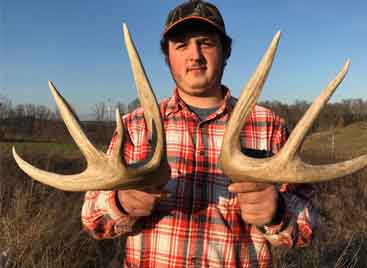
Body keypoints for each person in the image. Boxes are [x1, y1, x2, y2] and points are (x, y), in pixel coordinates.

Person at [81, 1, 315, 267]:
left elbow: (306, 226)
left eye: (205, 43)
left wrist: (277, 213)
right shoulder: (134, 126)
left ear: (225, 52)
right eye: (181, 45)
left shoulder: (268, 125)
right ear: (167, 56)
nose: (195, 55)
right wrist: (120, 203)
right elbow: (92, 219)